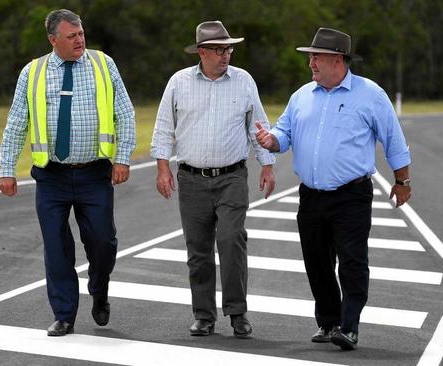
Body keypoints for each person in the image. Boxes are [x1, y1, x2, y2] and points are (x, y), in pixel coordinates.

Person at [255, 27, 412, 350]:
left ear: (338, 60)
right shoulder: (301, 96)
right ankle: (328, 322)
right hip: (311, 196)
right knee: (317, 262)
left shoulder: (371, 95)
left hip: (351, 195)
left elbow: (393, 140)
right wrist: (271, 140)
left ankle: (349, 326)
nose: (310, 63)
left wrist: (402, 181)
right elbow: (283, 132)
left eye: (316, 57)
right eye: (310, 57)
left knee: (353, 261)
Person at [0, 9, 136, 336]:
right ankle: (64, 315)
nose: (80, 40)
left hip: (94, 174)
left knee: (103, 243)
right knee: (56, 249)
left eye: (81, 33)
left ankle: (99, 289)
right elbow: (17, 124)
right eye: (71, 36)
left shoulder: (104, 65)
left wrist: (123, 158)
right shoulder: (32, 72)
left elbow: (125, 114)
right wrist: (6, 169)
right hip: (51, 177)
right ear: (53, 40)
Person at [150, 20, 276, 339]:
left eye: (229, 49)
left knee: (231, 240)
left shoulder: (244, 81)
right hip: (191, 179)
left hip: (232, 176)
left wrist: (267, 165)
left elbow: (257, 126)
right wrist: (162, 168)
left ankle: (237, 312)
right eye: (219, 49)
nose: (226, 55)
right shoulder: (179, 82)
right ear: (203, 52)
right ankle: (203, 315)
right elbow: (164, 128)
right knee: (198, 249)